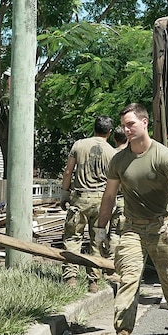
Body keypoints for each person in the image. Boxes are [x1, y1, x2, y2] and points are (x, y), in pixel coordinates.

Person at [95, 103, 168, 335]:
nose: (126, 130)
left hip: (163, 227)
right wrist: (100, 229)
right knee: (128, 277)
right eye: (124, 126)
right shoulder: (119, 160)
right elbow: (109, 196)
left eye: (131, 124)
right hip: (132, 228)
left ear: (145, 122)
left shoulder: (163, 156)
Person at [60, 116, 116, 292]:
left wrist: (64, 193)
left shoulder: (78, 145)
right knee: (97, 240)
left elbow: (69, 171)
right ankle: (93, 282)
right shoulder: (113, 153)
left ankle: (71, 279)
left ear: (94, 128)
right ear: (110, 132)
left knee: (72, 238)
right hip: (102, 203)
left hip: (80, 199)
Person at [107, 126, 128, 255]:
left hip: (116, 199)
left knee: (114, 233)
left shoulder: (111, 155)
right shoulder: (135, 155)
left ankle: (111, 266)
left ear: (114, 138)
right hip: (131, 200)